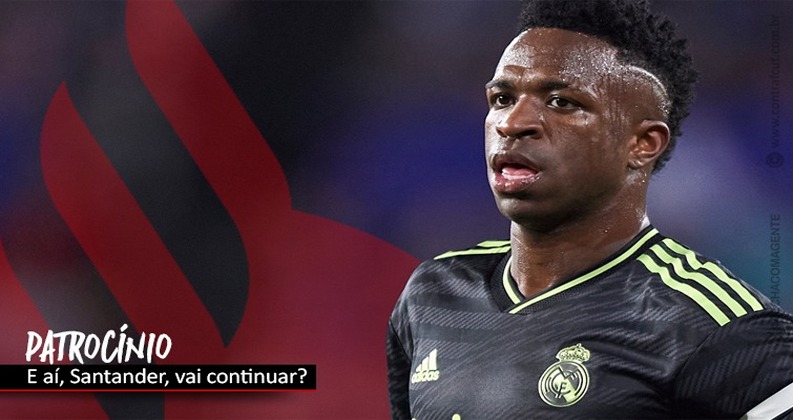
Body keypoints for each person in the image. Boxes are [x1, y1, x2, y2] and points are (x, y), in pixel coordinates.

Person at [386, 0, 793, 418]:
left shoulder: (711, 325)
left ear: (642, 144)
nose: (512, 123)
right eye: (502, 98)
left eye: (561, 102)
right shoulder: (433, 293)